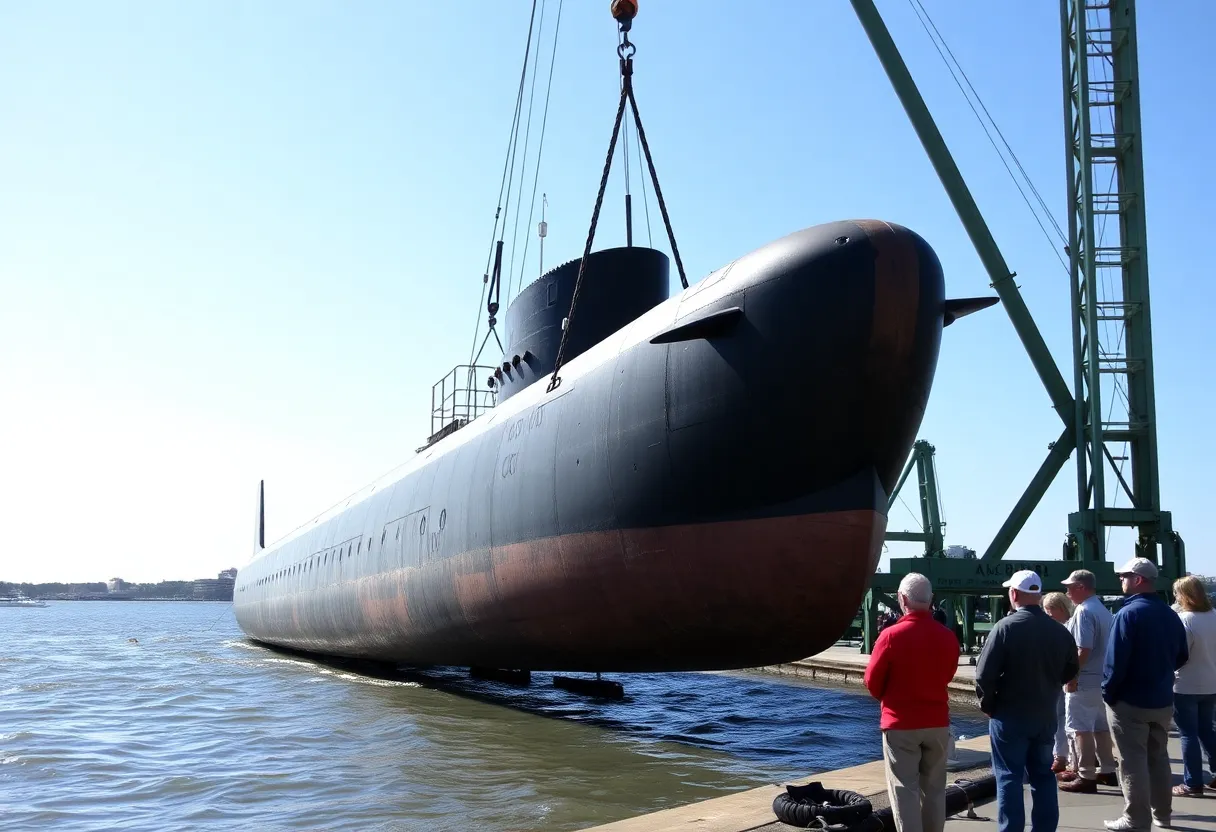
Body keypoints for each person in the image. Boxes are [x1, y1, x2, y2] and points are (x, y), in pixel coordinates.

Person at [975, 570, 1078, 832]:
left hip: (1009, 715)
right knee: (1043, 775)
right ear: (1038, 594)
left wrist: (989, 705)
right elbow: (1071, 669)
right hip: (1045, 715)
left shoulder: (1005, 628)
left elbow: (984, 675)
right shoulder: (1060, 631)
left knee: (1009, 776)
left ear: (1014, 594)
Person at [864, 573, 960, 832]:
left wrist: (889, 698)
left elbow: (872, 681)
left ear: (902, 599)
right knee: (935, 789)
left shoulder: (890, 636)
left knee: (904, 789)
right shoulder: (948, 636)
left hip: (901, 722)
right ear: (931, 600)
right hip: (937, 722)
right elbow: (948, 675)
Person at [1102, 557, 1189, 832]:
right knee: (1159, 758)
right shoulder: (1169, 613)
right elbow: (1182, 655)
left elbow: (1115, 662)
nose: (1121, 580)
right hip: (1161, 699)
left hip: (1129, 700)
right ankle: (1162, 816)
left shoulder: (1128, 614)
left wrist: (1108, 692)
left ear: (1138, 580)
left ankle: (1135, 819)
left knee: (1131, 762)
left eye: (1124, 576)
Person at [1057, 569, 1118, 793]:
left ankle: (1086, 774)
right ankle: (1108, 770)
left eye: (1070, 587)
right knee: (1101, 726)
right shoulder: (1103, 610)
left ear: (1081, 587)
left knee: (1080, 728)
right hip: (1101, 679)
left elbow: (1083, 648)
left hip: (1084, 679)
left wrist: (1071, 675)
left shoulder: (1083, 611)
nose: (1067, 592)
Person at [1170, 575, 1216, 797]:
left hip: (1186, 683)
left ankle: (1193, 782)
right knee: (1207, 730)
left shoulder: (1184, 619)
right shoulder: (1214, 616)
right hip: (1211, 681)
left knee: (1188, 733)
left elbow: (1181, 654)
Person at [1042, 591, 1076, 774]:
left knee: (1062, 718)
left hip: (1064, 679)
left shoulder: (1067, 627)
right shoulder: (1057, 628)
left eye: (1050, 610)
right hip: (1057, 678)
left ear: (1061, 609)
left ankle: (1061, 756)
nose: (1048, 615)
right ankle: (1063, 755)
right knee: (1061, 717)